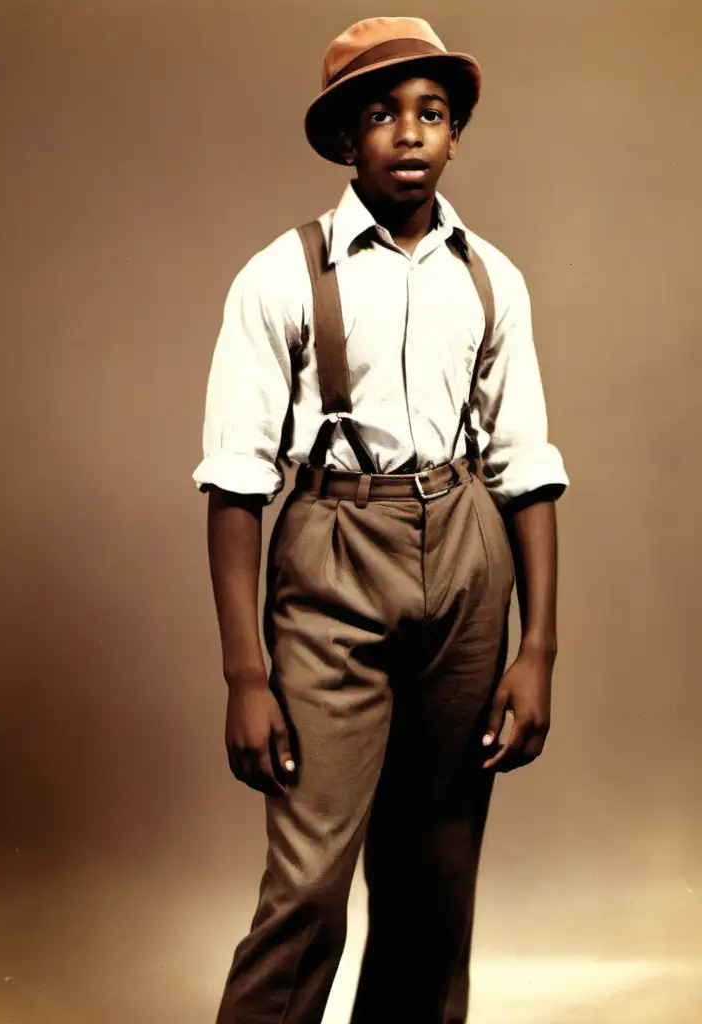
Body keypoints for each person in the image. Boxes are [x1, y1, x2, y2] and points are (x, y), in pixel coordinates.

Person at [193, 16, 569, 1023]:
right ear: (344, 140)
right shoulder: (281, 275)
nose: (408, 132)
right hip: (328, 562)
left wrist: (537, 648)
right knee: (310, 886)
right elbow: (234, 484)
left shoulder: (492, 280)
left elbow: (525, 466)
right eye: (381, 114)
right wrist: (245, 673)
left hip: (464, 559)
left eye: (431, 113)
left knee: (433, 884)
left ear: (456, 135)